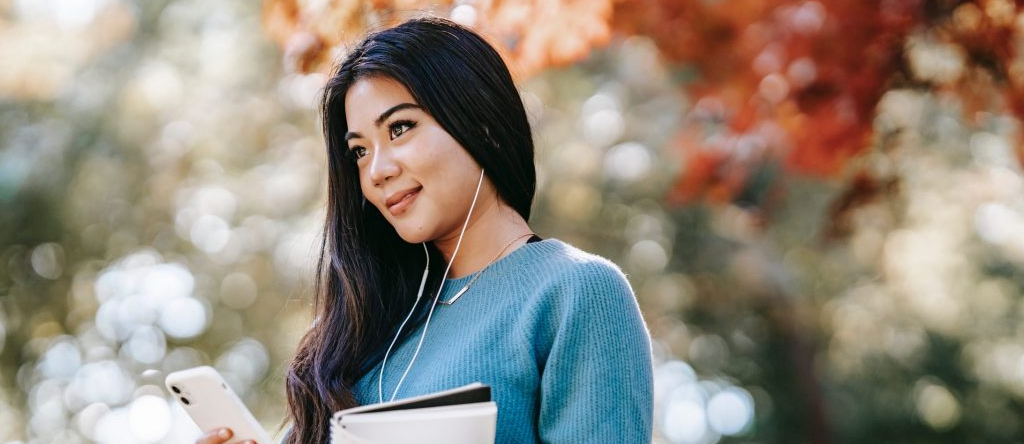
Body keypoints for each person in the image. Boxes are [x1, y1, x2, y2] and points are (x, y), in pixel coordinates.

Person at [195, 16, 652, 444]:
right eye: (359, 151)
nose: (376, 171)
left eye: (400, 128)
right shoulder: (365, 327)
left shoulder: (576, 291)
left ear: (483, 123)